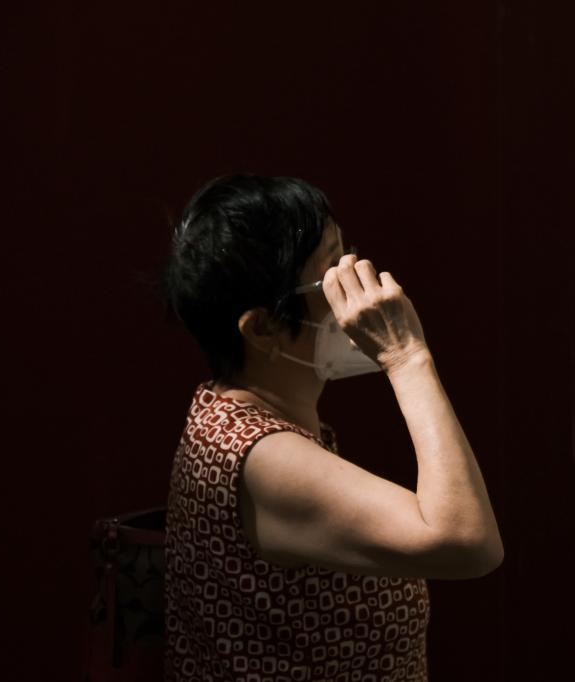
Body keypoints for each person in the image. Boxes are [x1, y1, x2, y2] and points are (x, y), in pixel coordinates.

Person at [159, 174, 504, 681]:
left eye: (350, 255)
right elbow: (468, 542)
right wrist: (406, 356)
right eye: (332, 270)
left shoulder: (232, 410)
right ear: (264, 328)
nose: (365, 285)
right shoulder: (261, 458)